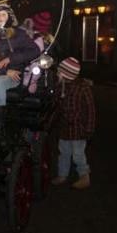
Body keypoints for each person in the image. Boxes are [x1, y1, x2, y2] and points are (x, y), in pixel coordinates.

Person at [0, 3, 40, 129]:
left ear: (9, 18)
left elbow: (35, 50)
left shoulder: (19, 35)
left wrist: (12, 58)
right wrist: (5, 71)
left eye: (3, 15)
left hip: (13, 76)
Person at [49, 57, 95, 189]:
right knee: (63, 152)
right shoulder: (60, 87)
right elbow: (56, 106)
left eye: (59, 72)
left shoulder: (82, 88)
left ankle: (84, 176)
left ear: (66, 74)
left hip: (78, 128)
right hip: (64, 128)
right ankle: (62, 175)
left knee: (78, 154)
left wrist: (89, 128)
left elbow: (90, 110)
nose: (57, 74)